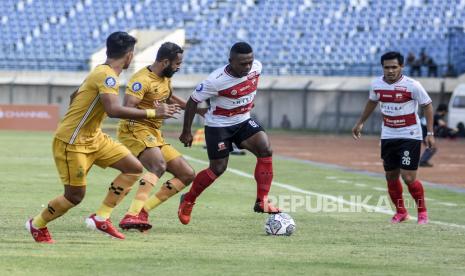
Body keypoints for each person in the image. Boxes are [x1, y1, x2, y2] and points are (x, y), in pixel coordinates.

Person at [25, 32, 164, 243]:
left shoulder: (101, 72)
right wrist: (154, 112)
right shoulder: (106, 76)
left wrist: (82, 118)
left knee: (133, 168)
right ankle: (36, 224)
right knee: (74, 196)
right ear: (129, 55)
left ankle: (102, 217)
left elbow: (75, 95)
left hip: (94, 138)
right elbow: (114, 110)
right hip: (72, 143)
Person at [178, 42, 280, 225]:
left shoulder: (257, 67)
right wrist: (187, 131)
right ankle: (188, 199)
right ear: (230, 61)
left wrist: (245, 102)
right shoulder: (215, 81)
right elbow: (193, 101)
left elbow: (249, 86)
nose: (247, 66)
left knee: (265, 149)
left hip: (243, 120)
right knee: (218, 169)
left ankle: (262, 200)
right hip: (219, 126)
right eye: (242, 63)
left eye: (250, 61)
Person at [117, 42, 206, 231]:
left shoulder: (165, 78)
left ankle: (143, 211)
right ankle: (131, 215)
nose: (179, 67)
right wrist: (155, 112)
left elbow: (170, 97)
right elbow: (126, 109)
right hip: (135, 129)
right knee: (158, 165)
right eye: (177, 63)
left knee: (187, 174)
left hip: (154, 133)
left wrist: (199, 110)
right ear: (165, 61)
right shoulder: (141, 79)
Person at [352, 51, 435, 225]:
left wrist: (430, 132)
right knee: (390, 176)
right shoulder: (376, 84)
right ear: (382, 67)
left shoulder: (413, 85)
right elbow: (372, 101)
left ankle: (422, 212)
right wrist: (360, 122)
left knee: (409, 177)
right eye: (386, 67)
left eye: (394, 67)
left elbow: (427, 105)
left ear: (402, 67)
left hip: (410, 135)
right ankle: (401, 212)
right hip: (388, 134)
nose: (390, 70)